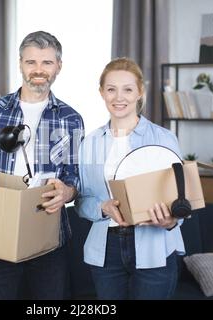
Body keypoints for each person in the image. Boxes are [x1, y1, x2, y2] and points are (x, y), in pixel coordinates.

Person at [0, 31, 84, 299]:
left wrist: (66, 192)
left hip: (49, 235)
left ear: (59, 66)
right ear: (20, 64)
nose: (38, 70)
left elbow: (76, 178)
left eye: (47, 62)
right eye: (31, 62)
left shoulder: (72, 119)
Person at [75, 57, 185, 300]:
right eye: (111, 89)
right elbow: (81, 202)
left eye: (127, 89)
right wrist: (102, 207)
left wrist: (170, 221)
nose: (119, 97)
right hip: (106, 252)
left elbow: (183, 201)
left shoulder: (164, 139)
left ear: (140, 92)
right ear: (101, 92)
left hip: (154, 248)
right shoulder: (89, 143)